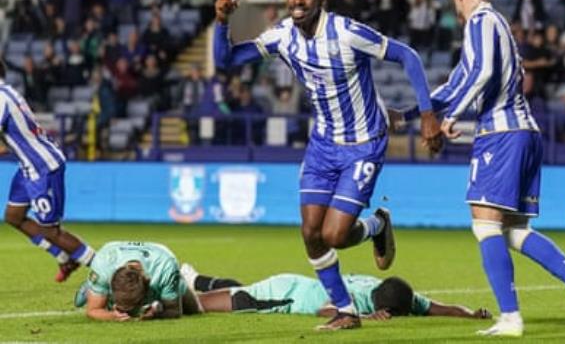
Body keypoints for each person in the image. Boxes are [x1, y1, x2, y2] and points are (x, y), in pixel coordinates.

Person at [213, 0, 441, 330]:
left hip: (364, 143)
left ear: (321, 0)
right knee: (310, 234)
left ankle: (376, 225)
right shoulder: (282, 36)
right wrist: (222, 21)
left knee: (334, 235)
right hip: (323, 143)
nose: (297, 1)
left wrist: (427, 115)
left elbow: (408, 56)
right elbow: (227, 61)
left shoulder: (346, 32)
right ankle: (346, 311)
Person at [392, 0, 565, 337]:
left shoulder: (481, 22)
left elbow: (482, 75)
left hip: (502, 135)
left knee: (484, 225)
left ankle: (510, 317)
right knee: (512, 230)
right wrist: (412, 115)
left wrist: (451, 117)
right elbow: (457, 83)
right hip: (522, 133)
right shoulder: (494, 26)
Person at [0, 59, 95, 282]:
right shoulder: (7, 93)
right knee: (14, 217)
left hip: (42, 167)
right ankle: (64, 258)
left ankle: (107, 268)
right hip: (28, 166)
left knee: (51, 231)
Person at [180, 263, 493, 320]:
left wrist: (470, 314)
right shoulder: (356, 300)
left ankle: (194, 277)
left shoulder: (394, 292)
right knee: (196, 307)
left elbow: (439, 307)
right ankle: (170, 292)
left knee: (237, 288)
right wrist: (367, 319)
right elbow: (325, 310)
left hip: (294, 282)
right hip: (283, 295)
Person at [73, 241, 288, 321]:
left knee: (197, 311)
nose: (130, 314)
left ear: (148, 290)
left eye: (133, 307)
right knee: (95, 300)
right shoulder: (103, 263)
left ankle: (191, 279)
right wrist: (112, 314)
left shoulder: (164, 268)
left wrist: (156, 314)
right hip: (107, 270)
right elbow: (92, 311)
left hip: (169, 274)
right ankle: (93, 289)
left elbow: (174, 312)